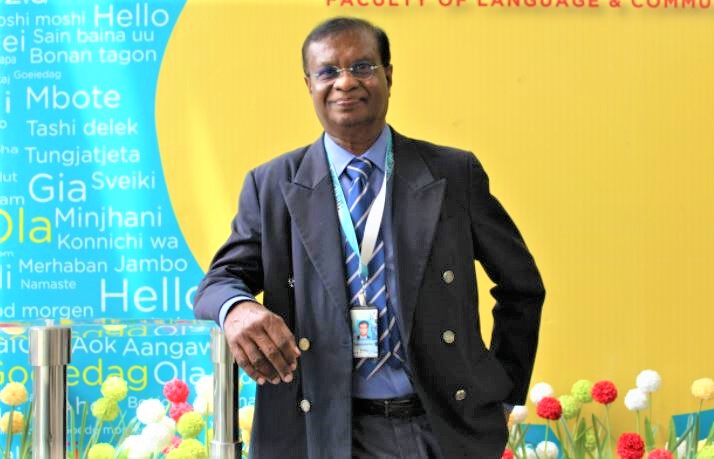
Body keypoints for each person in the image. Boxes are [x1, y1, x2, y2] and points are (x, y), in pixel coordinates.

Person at [193, 16, 545, 459]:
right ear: (309, 84)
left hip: (440, 427)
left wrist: (503, 392)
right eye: (328, 71)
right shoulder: (272, 185)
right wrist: (236, 308)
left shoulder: (453, 174)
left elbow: (521, 285)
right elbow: (219, 281)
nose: (345, 82)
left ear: (389, 76)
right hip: (323, 430)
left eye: (362, 67)